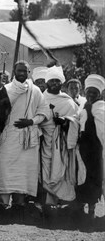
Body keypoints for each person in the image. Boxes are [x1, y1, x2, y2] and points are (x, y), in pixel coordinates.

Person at [0, 61, 49, 215]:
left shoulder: (35, 91)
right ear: (14, 71)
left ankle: (19, 204)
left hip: (27, 138)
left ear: (29, 72)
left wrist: (31, 121)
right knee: (5, 168)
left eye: (25, 70)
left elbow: (44, 112)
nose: (22, 73)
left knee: (24, 172)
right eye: (19, 70)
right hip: (8, 136)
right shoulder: (6, 90)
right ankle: (2, 203)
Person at [39, 66, 79, 214]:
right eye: (52, 81)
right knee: (46, 171)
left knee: (61, 172)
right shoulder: (40, 98)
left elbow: (76, 120)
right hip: (44, 141)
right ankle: (49, 202)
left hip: (62, 143)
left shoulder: (68, 102)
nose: (55, 83)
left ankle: (60, 203)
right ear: (47, 83)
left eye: (57, 81)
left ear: (61, 83)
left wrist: (65, 121)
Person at [76, 74, 105, 219]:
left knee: (94, 178)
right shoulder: (84, 105)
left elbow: (102, 131)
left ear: (100, 94)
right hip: (83, 149)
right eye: (89, 92)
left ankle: (92, 210)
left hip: (95, 150)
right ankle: (81, 208)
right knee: (82, 177)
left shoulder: (101, 108)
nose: (91, 95)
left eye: (95, 92)